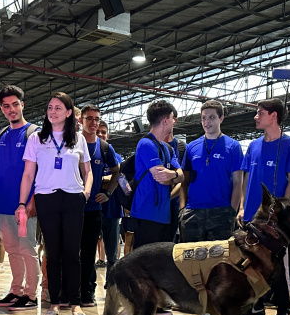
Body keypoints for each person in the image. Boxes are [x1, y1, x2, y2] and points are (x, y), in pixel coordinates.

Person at [15, 92, 92, 315]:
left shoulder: (78, 139)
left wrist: (86, 192)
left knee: (72, 252)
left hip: (73, 198)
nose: (52, 111)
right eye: (50, 107)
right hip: (46, 198)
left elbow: (87, 170)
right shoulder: (36, 139)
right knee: (53, 252)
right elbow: (28, 174)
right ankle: (55, 302)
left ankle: (76, 303)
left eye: (58, 108)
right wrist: (22, 202)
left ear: (69, 113)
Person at [239, 98, 290, 315]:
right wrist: (241, 206)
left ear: (273, 116)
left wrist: (284, 209)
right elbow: (246, 178)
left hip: (274, 219)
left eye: (260, 113)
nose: (256, 117)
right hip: (252, 216)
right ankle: (256, 306)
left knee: (278, 265)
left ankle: (284, 308)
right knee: (253, 263)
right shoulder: (253, 146)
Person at [0, 86, 41, 311]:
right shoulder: (0, 134)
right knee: (11, 249)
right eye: (6, 106)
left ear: (23, 104)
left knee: (27, 248)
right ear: (1, 109)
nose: (11, 110)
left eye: (14, 104)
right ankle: (15, 291)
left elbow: (41, 171)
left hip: (24, 206)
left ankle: (31, 295)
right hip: (2, 204)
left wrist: (31, 201)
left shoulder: (35, 133)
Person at [180, 100, 243, 243]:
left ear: (221, 119)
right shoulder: (191, 147)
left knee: (219, 262)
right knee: (191, 262)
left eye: (212, 117)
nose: (207, 122)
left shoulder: (233, 146)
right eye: (204, 118)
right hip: (193, 212)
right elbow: (185, 181)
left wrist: (232, 212)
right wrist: (182, 209)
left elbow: (238, 182)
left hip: (221, 212)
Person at [77, 104, 118, 306]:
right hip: (71, 209)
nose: (93, 123)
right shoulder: (72, 143)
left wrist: (108, 192)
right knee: (70, 252)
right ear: (81, 120)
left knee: (88, 253)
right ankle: (70, 291)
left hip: (93, 209)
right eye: (89, 119)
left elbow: (117, 171)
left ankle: (87, 292)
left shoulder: (104, 147)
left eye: (96, 119)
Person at [131, 100, 185, 249]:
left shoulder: (168, 148)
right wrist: (174, 176)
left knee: (159, 263)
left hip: (163, 215)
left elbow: (181, 175)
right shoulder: (146, 144)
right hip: (146, 213)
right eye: (173, 118)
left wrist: (173, 176)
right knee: (143, 264)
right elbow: (162, 178)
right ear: (166, 120)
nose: (174, 122)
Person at [97, 120, 123, 285]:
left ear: (108, 134)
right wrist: (109, 180)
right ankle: (87, 287)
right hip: (91, 210)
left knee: (112, 253)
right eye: (98, 131)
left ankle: (112, 284)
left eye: (103, 132)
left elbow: (120, 178)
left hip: (112, 211)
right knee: (87, 251)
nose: (100, 134)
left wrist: (101, 180)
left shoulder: (116, 156)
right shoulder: (88, 154)